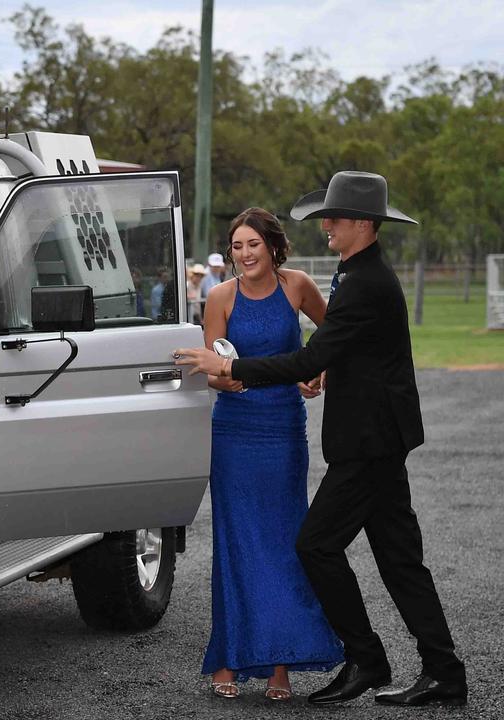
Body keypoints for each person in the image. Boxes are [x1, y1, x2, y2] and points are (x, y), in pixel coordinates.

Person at [175, 171, 467, 707]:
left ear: (360, 222)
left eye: (332, 217)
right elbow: (334, 353)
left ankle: (368, 659)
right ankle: (444, 672)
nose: (325, 225)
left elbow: (312, 356)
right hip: (376, 438)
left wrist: (231, 363)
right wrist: (313, 371)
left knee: (315, 545)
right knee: (400, 559)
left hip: (368, 442)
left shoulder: (366, 282)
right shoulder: (355, 273)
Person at [198, 208, 340, 701]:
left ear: (274, 246)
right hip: (234, 432)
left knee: (282, 542)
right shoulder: (219, 296)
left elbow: (335, 330)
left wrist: (316, 370)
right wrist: (236, 377)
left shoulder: (297, 286)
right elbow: (214, 371)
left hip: (282, 432)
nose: (244, 254)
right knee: (235, 543)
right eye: (237, 246)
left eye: (253, 244)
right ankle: (229, 659)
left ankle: (281, 665)